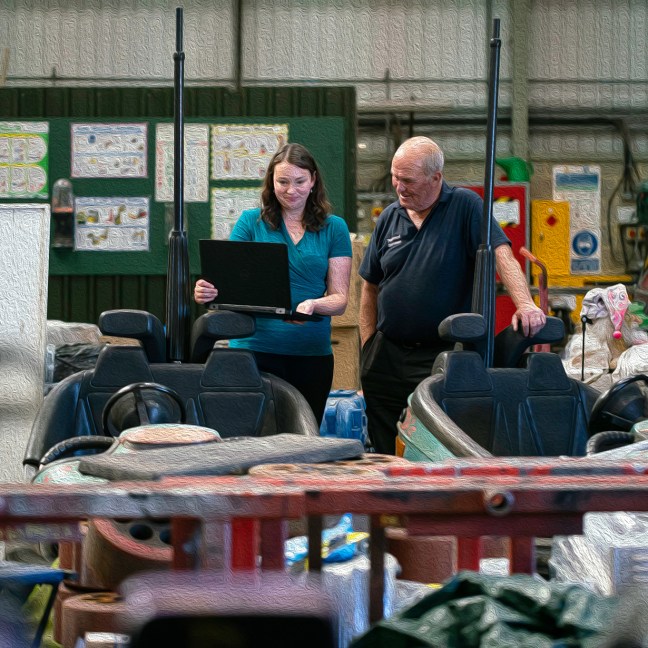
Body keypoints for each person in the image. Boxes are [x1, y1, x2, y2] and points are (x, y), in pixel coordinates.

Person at [359, 136, 546, 454]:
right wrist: (367, 347)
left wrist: (526, 304)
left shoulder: (465, 206)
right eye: (395, 178)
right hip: (386, 355)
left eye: (407, 181)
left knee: (435, 443)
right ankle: (388, 502)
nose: (399, 188)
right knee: (381, 445)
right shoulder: (390, 216)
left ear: (436, 178)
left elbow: (502, 254)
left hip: (440, 356)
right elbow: (370, 287)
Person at [194, 143, 352, 425]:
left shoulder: (334, 227)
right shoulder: (250, 222)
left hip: (310, 355)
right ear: (271, 182)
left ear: (313, 180)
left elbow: (339, 299)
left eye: (300, 182)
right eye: (283, 182)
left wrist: (314, 304)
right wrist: (207, 290)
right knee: (253, 434)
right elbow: (227, 282)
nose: (291, 191)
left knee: (304, 436)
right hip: (253, 350)